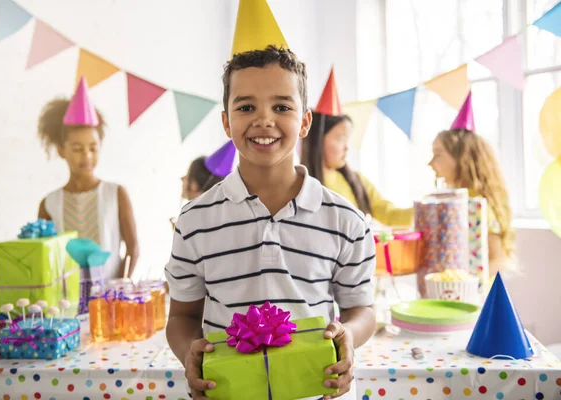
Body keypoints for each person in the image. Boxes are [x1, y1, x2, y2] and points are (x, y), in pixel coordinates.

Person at [165, 45, 376, 400]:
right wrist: (189, 351)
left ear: (305, 121)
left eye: (282, 106)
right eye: (246, 107)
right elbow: (182, 317)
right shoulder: (194, 221)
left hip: (316, 392)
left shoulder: (346, 220)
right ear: (226, 122)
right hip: (228, 393)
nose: (264, 119)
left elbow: (362, 309)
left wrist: (349, 336)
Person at [37, 77, 139, 279]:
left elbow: (132, 247)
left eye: (93, 148)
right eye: (77, 149)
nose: (87, 156)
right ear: (61, 150)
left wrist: (119, 287)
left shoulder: (116, 194)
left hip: (109, 301)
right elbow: (42, 257)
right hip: (66, 304)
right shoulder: (49, 204)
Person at [301, 68, 413, 227]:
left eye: (348, 139)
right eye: (340, 139)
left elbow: (389, 214)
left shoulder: (357, 181)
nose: (347, 147)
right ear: (318, 141)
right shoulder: (299, 184)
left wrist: (424, 209)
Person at [429, 91, 515, 277]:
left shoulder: (479, 206)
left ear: (462, 159)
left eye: (438, 154)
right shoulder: (449, 203)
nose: (431, 163)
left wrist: (470, 285)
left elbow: (498, 259)